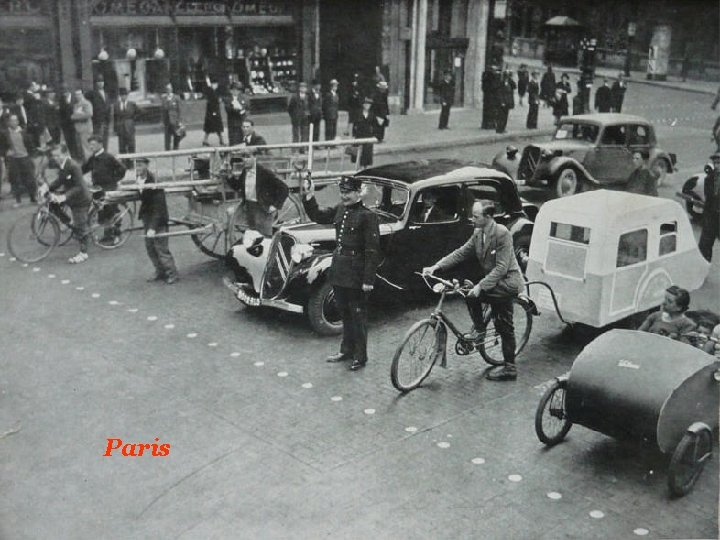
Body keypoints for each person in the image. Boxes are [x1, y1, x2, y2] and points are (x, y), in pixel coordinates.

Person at [423, 199, 524, 381]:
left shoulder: (502, 233)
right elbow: (461, 252)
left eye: (476, 216)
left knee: (504, 326)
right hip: (492, 280)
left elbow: (501, 268)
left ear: (488, 216)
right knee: (468, 292)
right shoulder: (478, 232)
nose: (472, 219)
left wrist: (480, 286)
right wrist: (436, 267)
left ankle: (510, 368)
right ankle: (479, 330)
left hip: (507, 282)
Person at [302, 176, 380, 371]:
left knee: (358, 315)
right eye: (342, 192)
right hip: (339, 270)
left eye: (348, 193)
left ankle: (360, 356)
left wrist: (368, 280)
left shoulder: (368, 216)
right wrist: (309, 195)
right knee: (344, 313)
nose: (344, 196)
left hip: (356, 274)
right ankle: (346, 350)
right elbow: (318, 215)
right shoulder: (340, 209)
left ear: (358, 192)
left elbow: (372, 250)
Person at [47, 144, 92, 264]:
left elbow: (79, 186)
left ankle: (83, 253)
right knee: (52, 204)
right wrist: (48, 187)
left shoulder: (73, 166)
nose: (56, 158)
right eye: (54, 156)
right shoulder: (63, 164)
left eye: (58, 155)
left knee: (81, 227)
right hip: (72, 197)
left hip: (81, 199)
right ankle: (69, 223)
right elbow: (60, 180)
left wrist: (63, 197)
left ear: (65, 154)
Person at [136, 157, 178, 284]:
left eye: (140, 165)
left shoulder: (154, 181)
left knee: (161, 248)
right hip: (147, 217)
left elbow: (159, 207)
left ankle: (172, 273)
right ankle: (160, 271)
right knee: (150, 247)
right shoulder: (138, 179)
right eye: (136, 165)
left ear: (146, 166)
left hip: (158, 219)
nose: (137, 168)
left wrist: (153, 227)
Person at [229, 155, 289, 237]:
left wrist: (276, 205)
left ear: (254, 157)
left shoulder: (264, 173)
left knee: (265, 237)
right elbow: (237, 186)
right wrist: (229, 176)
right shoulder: (245, 172)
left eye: (247, 157)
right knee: (253, 237)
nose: (245, 160)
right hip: (249, 208)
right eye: (243, 157)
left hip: (262, 209)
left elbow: (284, 188)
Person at [82, 135, 126, 245]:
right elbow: (83, 169)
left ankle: (117, 235)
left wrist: (114, 180)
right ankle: (107, 235)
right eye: (90, 145)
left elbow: (122, 169)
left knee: (112, 212)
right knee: (102, 213)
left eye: (93, 144)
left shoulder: (108, 157)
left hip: (109, 188)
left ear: (100, 144)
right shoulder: (93, 158)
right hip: (97, 188)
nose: (91, 147)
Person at [0, 114, 37, 207]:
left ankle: (33, 197)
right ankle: (18, 200)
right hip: (13, 159)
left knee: (30, 178)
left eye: (15, 120)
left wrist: (31, 155)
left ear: (18, 122)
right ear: (9, 122)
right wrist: (6, 153)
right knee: (15, 180)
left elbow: (30, 144)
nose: (13, 122)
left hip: (25, 157)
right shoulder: (5, 134)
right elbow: (2, 146)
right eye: (11, 121)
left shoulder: (23, 132)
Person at [698, 152, 720, 262]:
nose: (717, 166)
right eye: (715, 163)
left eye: (719, 163)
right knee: (704, 246)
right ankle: (704, 266)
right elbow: (708, 200)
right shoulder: (709, 179)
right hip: (711, 217)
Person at [113, 87, 137, 161]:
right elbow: (115, 117)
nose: (123, 97)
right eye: (122, 95)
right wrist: (115, 129)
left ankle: (132, 162)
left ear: (127, 96)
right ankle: (123, 163)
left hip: (130, 127)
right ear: (120, 96)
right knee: (122, 147)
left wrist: (132, 120)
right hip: (120, 128)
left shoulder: (132, 104)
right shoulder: (116, 105)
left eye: (125, 95)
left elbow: (139, 112)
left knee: (131, 146)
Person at [86, 78, 111, 148]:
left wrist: (108, 119)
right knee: (98, 138)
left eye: (102, 81)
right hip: (97, 121)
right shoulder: (92, 94)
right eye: (99, 82)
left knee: (105, 139)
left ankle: (104, 152)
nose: (100, 83)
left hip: (106, 121)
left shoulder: (106, 94)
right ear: (96, 83)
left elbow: (108, 107)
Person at [351, 97, 376, 167]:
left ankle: (365, 167)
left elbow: (375, 125)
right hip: (359, 135)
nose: (367, 106)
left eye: (369, 104)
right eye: (366, 104)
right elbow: (354, 124)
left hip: (368, 135)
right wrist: (353, 135)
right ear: (363, 105)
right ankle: (359, 166)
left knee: (367, 153)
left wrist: (375, 134)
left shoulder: (372, 114)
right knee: (359, 153)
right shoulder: (358, 113)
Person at [70, 89, 93, 162]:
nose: (77, 96)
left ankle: (90, 162)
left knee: (86, 147)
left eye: (79, 94)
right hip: (78, 129)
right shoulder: (76, 105)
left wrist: (75, 117)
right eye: (76, 94)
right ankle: (84, 163)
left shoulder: (86, 103)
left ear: (82, 94)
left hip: (85, 129)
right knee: (80, 148)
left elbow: (89, 114)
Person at [201, 77, 224, 146]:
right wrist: (214, 112)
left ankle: (206, 140)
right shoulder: (210, 91)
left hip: (213, 111)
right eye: (215, 84)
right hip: (212, 111)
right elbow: (213, 101)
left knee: (212, 127)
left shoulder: (215, 91)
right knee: (214, 126)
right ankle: (221, 140)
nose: (216, 85)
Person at [225, 82, 250, 146]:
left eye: (238, 90)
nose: (236, 91)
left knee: (243, 139)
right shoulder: (228, 99)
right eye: (234, 90)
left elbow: (247, 109)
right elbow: (228, 109)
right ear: (231, 90)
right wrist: (235, 109)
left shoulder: (244, 98)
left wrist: (242, 111)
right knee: (233, 140)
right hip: (232, 123)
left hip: (242, 121)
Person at [58, 86, 79, 160]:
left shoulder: (74, 98)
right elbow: (60, 112)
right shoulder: (61, 99)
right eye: (63, 91)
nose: (65, 93)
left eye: (66, 91)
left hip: (74, 123)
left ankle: (77, 155)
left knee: (75, 140)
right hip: (65, 124)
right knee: (68, 140)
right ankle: (71, 156)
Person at [161, 83, 183, 151]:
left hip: (175, 120)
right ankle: (167, 150)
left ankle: (175, 148)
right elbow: (163, 110)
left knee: (177, 135)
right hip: (167, 120)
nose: (168, 90)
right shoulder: (164, 98)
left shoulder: (176, 98)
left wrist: (179, 121)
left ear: (172, 89)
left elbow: (179, 110)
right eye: (167, 89)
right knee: (167, 137)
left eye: (169, 88)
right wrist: (163, 121)